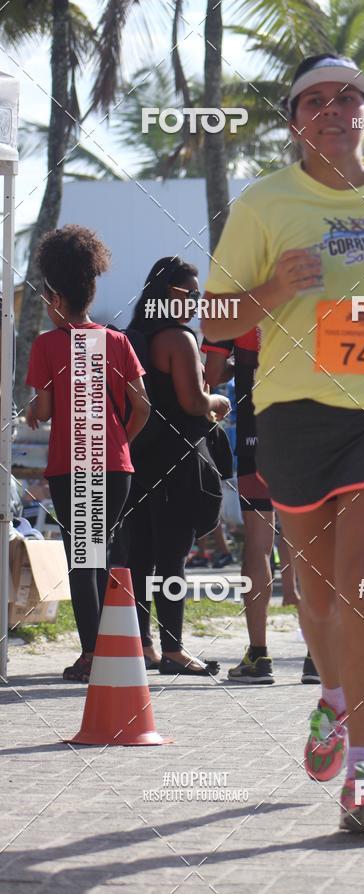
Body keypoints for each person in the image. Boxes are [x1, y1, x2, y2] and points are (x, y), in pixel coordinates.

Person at [201, 54, 364, 833]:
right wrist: (275, 291)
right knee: (313, 592)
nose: (333, 109)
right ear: (296, 120)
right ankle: (331, 697)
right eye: (315, 99)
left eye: (348, 97)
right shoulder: (265, 202)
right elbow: (215, 320)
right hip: (296, 413)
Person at [25, 225, 149, 682]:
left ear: (55, 296)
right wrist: (120, 443)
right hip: (115, 466)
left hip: (72, 466)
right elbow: (143, 407)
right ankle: (107, 650)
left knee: (84, 558)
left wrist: (33, 410)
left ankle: (93, 654)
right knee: (101, 553)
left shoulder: (46, 345)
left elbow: (44, 408)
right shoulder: (116, 342)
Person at [122, 257, 230, 675]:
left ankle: (143, 644)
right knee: (172, 560)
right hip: (178, 462)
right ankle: (173, 650)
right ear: (170, 294)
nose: (197, 301)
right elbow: (193, 403)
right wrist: (218, 401)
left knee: (139, 557)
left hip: (137, 460)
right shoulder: (178, 339)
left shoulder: (133, 337)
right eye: (192, 293)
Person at [202, 329, 317, 685]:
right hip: (311, 434)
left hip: (258, 436)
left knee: (257, 546)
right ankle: (317, 657)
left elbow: (210, 376)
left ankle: (258, 655)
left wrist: (239, 366)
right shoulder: (316, 292)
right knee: (314, 543)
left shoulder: (239, 309)